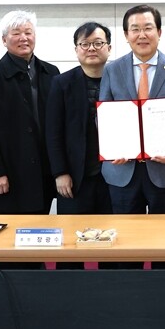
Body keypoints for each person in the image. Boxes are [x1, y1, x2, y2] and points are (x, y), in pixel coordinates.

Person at [99, 5, 165, 216]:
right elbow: (103, 116)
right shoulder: (112, 70)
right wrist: (113, 147)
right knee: (126, 234)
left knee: (164, 234)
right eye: (135, 29)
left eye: (148, 28)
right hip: (122, 172)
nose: (142, 35)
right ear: (126, 35)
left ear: (159, 32)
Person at [0, 10, 60, 215]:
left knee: (42, 227)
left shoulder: (51, 72)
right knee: (11, 230)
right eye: (16, 33)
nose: (24, 38)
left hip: (45, 171)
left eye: (28, 32)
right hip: (9, 173)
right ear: (4, 40)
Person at [46, 22, 114, 270]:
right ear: (76, 49)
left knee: (112, 242)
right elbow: (53, 132)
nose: (91, 49)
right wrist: (60, 173)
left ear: (109, 47)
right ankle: (70, 289)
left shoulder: (119, 79)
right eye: (85, 44)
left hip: (114, 178)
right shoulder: (62, 83)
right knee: (71, 245)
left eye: (98, 43)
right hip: (75, 178)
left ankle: (111, 287)